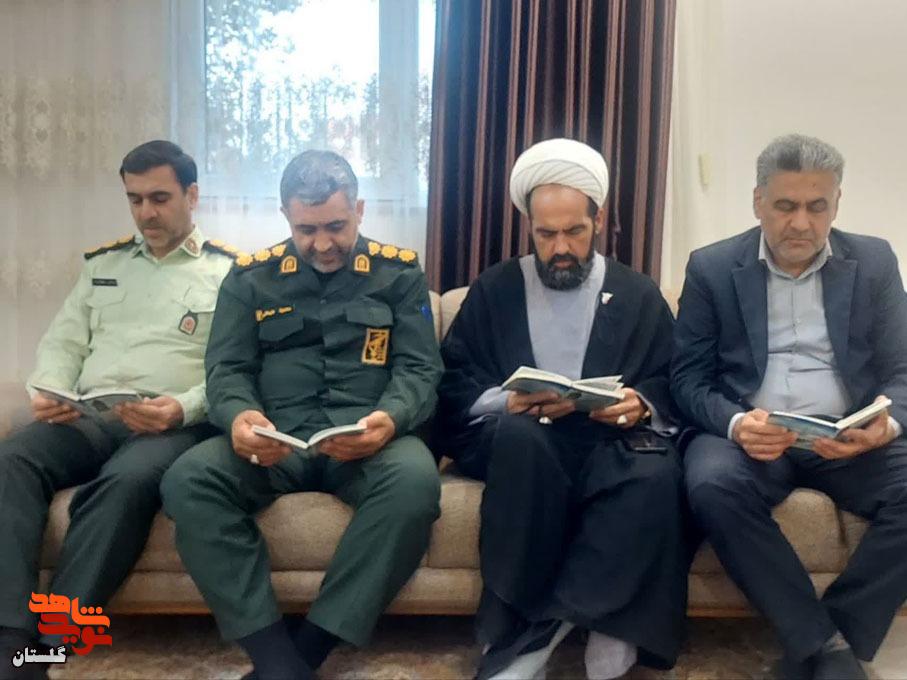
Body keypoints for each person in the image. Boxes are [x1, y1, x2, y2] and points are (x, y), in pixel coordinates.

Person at [160, 150, 443, 680]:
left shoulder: (399, 274)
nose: (323, 244)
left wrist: (389, 418)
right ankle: (273, 657)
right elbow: (227, 369)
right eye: (306, 229)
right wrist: (242, 417)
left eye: (336, 226)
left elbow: (420, 369)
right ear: (285, 216)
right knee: (189, 480)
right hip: (277, 441)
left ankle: (307, 651)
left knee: (415, 484)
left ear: (359, 210)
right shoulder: (251, 278)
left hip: (367, 441)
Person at [436, 138, 688, 680]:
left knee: (654, 474)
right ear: (530, 228)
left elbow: (671, 378)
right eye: (546, 234)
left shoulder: (637, 293)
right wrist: (507, 401)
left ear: (599, 222)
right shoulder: (496, 288)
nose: (561, 248)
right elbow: (454, 378)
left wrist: (639, 403)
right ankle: (532, 626)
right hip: (522, 435)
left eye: (575, 231)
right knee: (523, 441)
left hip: (609, 438)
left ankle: (564, 629)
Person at [673, 133, 907, 680]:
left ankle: (831, 639)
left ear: (836, 204)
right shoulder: (712, 268)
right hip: (756, 435)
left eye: (816, 206)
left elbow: (903, 367)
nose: (801, 223)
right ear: (758, 202)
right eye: (785, 205)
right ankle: (824, 647)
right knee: (710, 485)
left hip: (846, 435)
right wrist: (736, 424)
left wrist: (888, 421)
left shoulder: (874, 261)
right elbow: (687, 379)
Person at [0, 140, 234, 678]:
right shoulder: (103, 265)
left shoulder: (228, 273)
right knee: (12, 458)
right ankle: (10, 633)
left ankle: (50, 644)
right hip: (89, 416)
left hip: (169, 424)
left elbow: (232, 369)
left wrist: (181, 408)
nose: (146, 212)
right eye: (135, 199)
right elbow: (64, 342)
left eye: (159, 198)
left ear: (192, 195)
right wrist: (51, 388)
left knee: (125, 484)